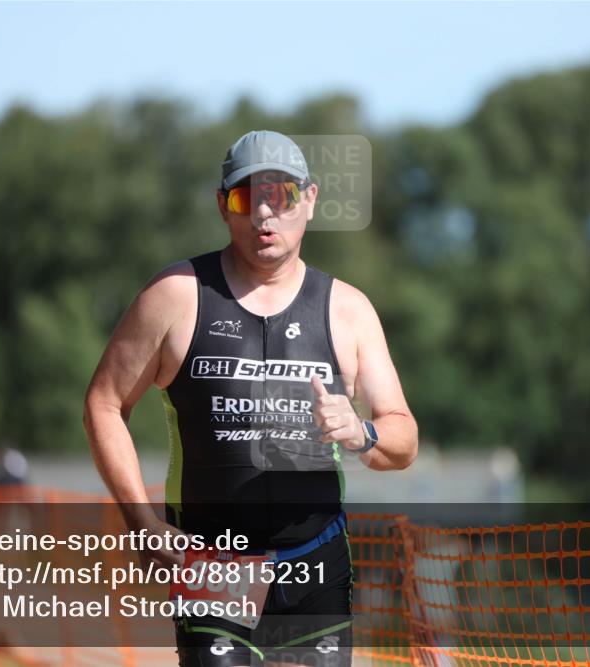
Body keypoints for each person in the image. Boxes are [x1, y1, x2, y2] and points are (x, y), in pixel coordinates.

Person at [84, 130, 418, 666]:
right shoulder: (176, 295)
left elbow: (402, 439)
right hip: (216, 567)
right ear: (223, 207)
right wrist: (142, 523)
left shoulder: (348, 309)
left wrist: (362, 432)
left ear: (309, 199)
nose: (265, 213)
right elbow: (103, 404)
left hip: (316, 567)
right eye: (246, 197)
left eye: (281, 195)